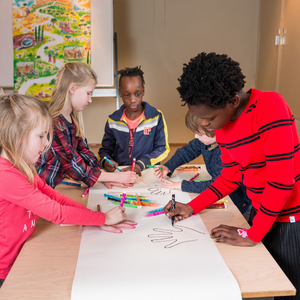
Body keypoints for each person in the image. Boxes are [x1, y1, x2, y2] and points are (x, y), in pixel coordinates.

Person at [164, 52, 300, 300]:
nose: (205, 124)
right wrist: (192, 208)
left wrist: (253, 233)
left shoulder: (270, 106)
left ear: (233, 100)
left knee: (288, 287)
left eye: (210, 117)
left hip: (291, 218)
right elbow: (229, 177)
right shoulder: (223, 126)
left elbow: (282, 182)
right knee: (263, 280)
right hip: (261, 212)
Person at [0, 94, 136, 288]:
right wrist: (103, 219)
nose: (47, 143)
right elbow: (57, 213)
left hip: (22, 255)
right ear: (17, 136)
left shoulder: (22, 169)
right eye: (41, 136)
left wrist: (96, 218)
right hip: (5, 269)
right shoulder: (6, 175)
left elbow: (56, 199)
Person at [36, 62, 137, 189]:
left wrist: (103, 175)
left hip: (54, 189)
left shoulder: (71, 120)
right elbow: (74, 166)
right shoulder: (54, 124)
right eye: (88, 93)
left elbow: (84, 152)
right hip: (42, 190)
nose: (90, 100)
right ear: (72, 88)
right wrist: (114, 177)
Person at [154, 110, 251, 215]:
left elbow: (216, 184)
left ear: (215, 130)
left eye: (199, 133)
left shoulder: (225, 152)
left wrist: (182, 185)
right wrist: (168, 166)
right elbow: (187, 151)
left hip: (237, 203)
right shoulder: (205, 141)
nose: (196, 136)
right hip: (223, 196)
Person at [98, 66, 170, 176]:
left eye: (137, 94)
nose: (132, 99)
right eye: (127, 95)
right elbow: (105, 150)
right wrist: (106, 161)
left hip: (148, 171)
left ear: (143, 91)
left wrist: (140, 164)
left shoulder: (156, 117)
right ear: (120, 93)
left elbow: (162, 149)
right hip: (121, 172)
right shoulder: (113, 120)